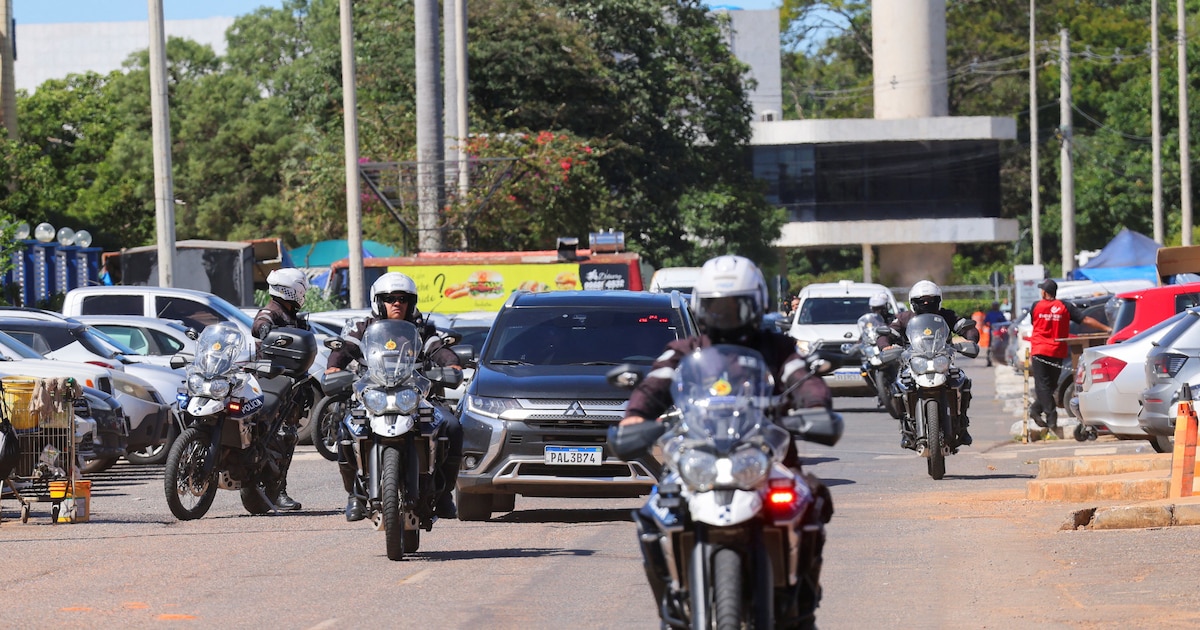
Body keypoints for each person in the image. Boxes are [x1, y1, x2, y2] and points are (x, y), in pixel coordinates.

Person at [619, 255, 833, 622]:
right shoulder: (686, 350)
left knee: (811, 501)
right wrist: (635, 416)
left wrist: (815, 407)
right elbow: (657, 382)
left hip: (767, 457)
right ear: (702, 306)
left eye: (735, 305)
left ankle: (801, 603)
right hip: (699, 454)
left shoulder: (777, 348)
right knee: (656, 512)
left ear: (756, 305)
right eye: (717, 306)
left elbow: (804, 379)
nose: (726, 314)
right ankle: (673, 604)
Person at [325, 271, 464, 522]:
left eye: (403, 298)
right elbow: (346, 348)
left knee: (452, 426)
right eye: (389, 298)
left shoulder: (421, 328)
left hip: (416, 396)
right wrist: (334, 366)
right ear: (378, 301)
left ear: (411, 302)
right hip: (373, 395)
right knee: (345, 430)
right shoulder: (363, 328)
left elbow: (438, 348)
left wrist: (451, 365)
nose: (397, 303)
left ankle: (445, 495)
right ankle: (355, 495)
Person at [878, 280, 981, 446]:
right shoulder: (903, 318)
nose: (926, 304)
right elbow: (886, 333)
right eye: (921, 301)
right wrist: (885, 346)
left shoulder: (947, 315)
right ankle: (905, 427)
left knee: (963, 381)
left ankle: (962, 424)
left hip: (942, 359)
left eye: (931, 300)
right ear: (913, 302)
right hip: (914, 362)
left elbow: (965, 327)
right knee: (899, 386)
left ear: (938, 301)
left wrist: (971, 339)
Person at [251, 267, 311, 511]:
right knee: (280, 437)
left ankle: (274, 488)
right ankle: (277, 491)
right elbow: (259, 325)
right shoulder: (272, 312)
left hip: (289, 387)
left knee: (286, 437)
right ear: (291, 290)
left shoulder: (292, 315)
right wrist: (266, 331)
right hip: (272, 385)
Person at [1028, 279, 1111, 437]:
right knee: (1050, 385)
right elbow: (1085, 320)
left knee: (1044, 385)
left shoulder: (1036, 306)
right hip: (1057, 351)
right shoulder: (1065, 307)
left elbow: (1034, 322)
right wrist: (1106, 328)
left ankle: (1040, 411)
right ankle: (1048, 415)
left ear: (1044, 293)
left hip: (1040, 350)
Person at [982, 301, 1007, 366]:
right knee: (990, 347)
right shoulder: (990, 314)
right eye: (994, 305)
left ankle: (1000, 360)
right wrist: (989, 325)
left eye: (996, 305)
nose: (995, 307)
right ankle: (989, 361)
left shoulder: (1000, 314)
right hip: (992, 333)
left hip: (999, 334)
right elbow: (985, 322)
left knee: (1000, 346)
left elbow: (1004, 322)